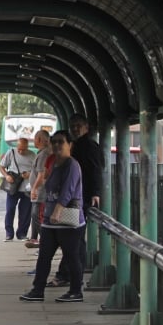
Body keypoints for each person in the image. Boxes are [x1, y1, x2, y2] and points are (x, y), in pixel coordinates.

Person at [20, 129, 86, 302]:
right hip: (50, 221)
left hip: (67, 220)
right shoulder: (54, 163)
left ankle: (76, 291)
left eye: (60, 142)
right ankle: (37, 290)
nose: (56, 145)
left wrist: (58, 210)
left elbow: (68, 190)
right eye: (54, 141)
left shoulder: (72, 165)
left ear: (70, 145)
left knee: (72, 257)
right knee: (44, 256)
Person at [48, 113, 104, 288]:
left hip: (80, 198)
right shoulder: (77, 145)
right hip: (75, 197)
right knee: (73, 238)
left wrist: (95, 192)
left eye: (78, 125)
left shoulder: (89, 147)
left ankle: (68, 276)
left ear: (86, 127)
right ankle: (70, 275)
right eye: (72, 126)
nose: (75, 128)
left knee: (73, 238)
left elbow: (96, 170)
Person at [0, 137, 36, 241]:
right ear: (17, 146)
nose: (21, 151)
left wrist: (30, 174)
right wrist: (6, 176)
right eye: (19, 149)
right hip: (13, 186)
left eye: (23, 149)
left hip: (27, 188)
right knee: (10, 209)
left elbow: (37, 171)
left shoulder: (33, 155)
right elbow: (1, 166)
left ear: (27, 147)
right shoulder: (11, 152)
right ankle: (9, 233)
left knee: (25, 212)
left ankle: (22, 234)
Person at [26, 130, 52, 248]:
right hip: (40, 192)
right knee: (35, 215)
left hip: (41, 192)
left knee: (37, 216)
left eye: (35, 138)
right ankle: (37, 239)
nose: (33, 141)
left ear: (39, 139)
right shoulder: (42, 153)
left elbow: (41, 175)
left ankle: (46, 241)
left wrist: (34, 188)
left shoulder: (44, 154)